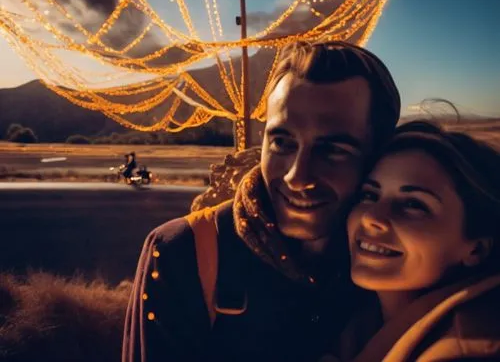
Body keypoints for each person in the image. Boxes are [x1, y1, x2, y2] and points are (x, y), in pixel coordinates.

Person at [122, 41, 401, 362]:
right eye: (282, 142)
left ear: (378, 156)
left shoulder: (392, 264)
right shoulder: (185, 250)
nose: (297, 177)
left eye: (334, 150)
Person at [330, 120, 500, 361]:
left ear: (477, 249)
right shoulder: (356, 324)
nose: (371, 217)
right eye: (370, 195)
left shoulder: (468, 348)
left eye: (413, 204)